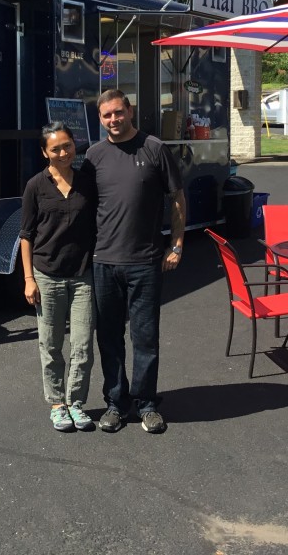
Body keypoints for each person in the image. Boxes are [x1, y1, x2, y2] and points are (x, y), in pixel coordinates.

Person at [84, 89, 185, 434]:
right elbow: (82, 208)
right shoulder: (93, 155)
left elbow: (177, 198)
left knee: (145, 337)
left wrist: (178, 243)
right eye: (106, 115)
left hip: (145, 261)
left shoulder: (154, 148)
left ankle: (145, 403)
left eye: (118, 112)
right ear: (100, 119)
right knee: (109, 337)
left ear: (129, 110)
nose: (113, 119)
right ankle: (115, 402)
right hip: (104, 262)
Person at [19, 122, 98, 432]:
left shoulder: (88, 183)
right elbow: (26, 235)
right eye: (56, 148)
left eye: (67, 145)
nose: (63, 152)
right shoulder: (35, 186)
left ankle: (76, 402)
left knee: (82, 344)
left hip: (82, 275)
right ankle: (56, 403)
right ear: (45, 152)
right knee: (50, 344)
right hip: (47, 274)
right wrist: (28, 278)